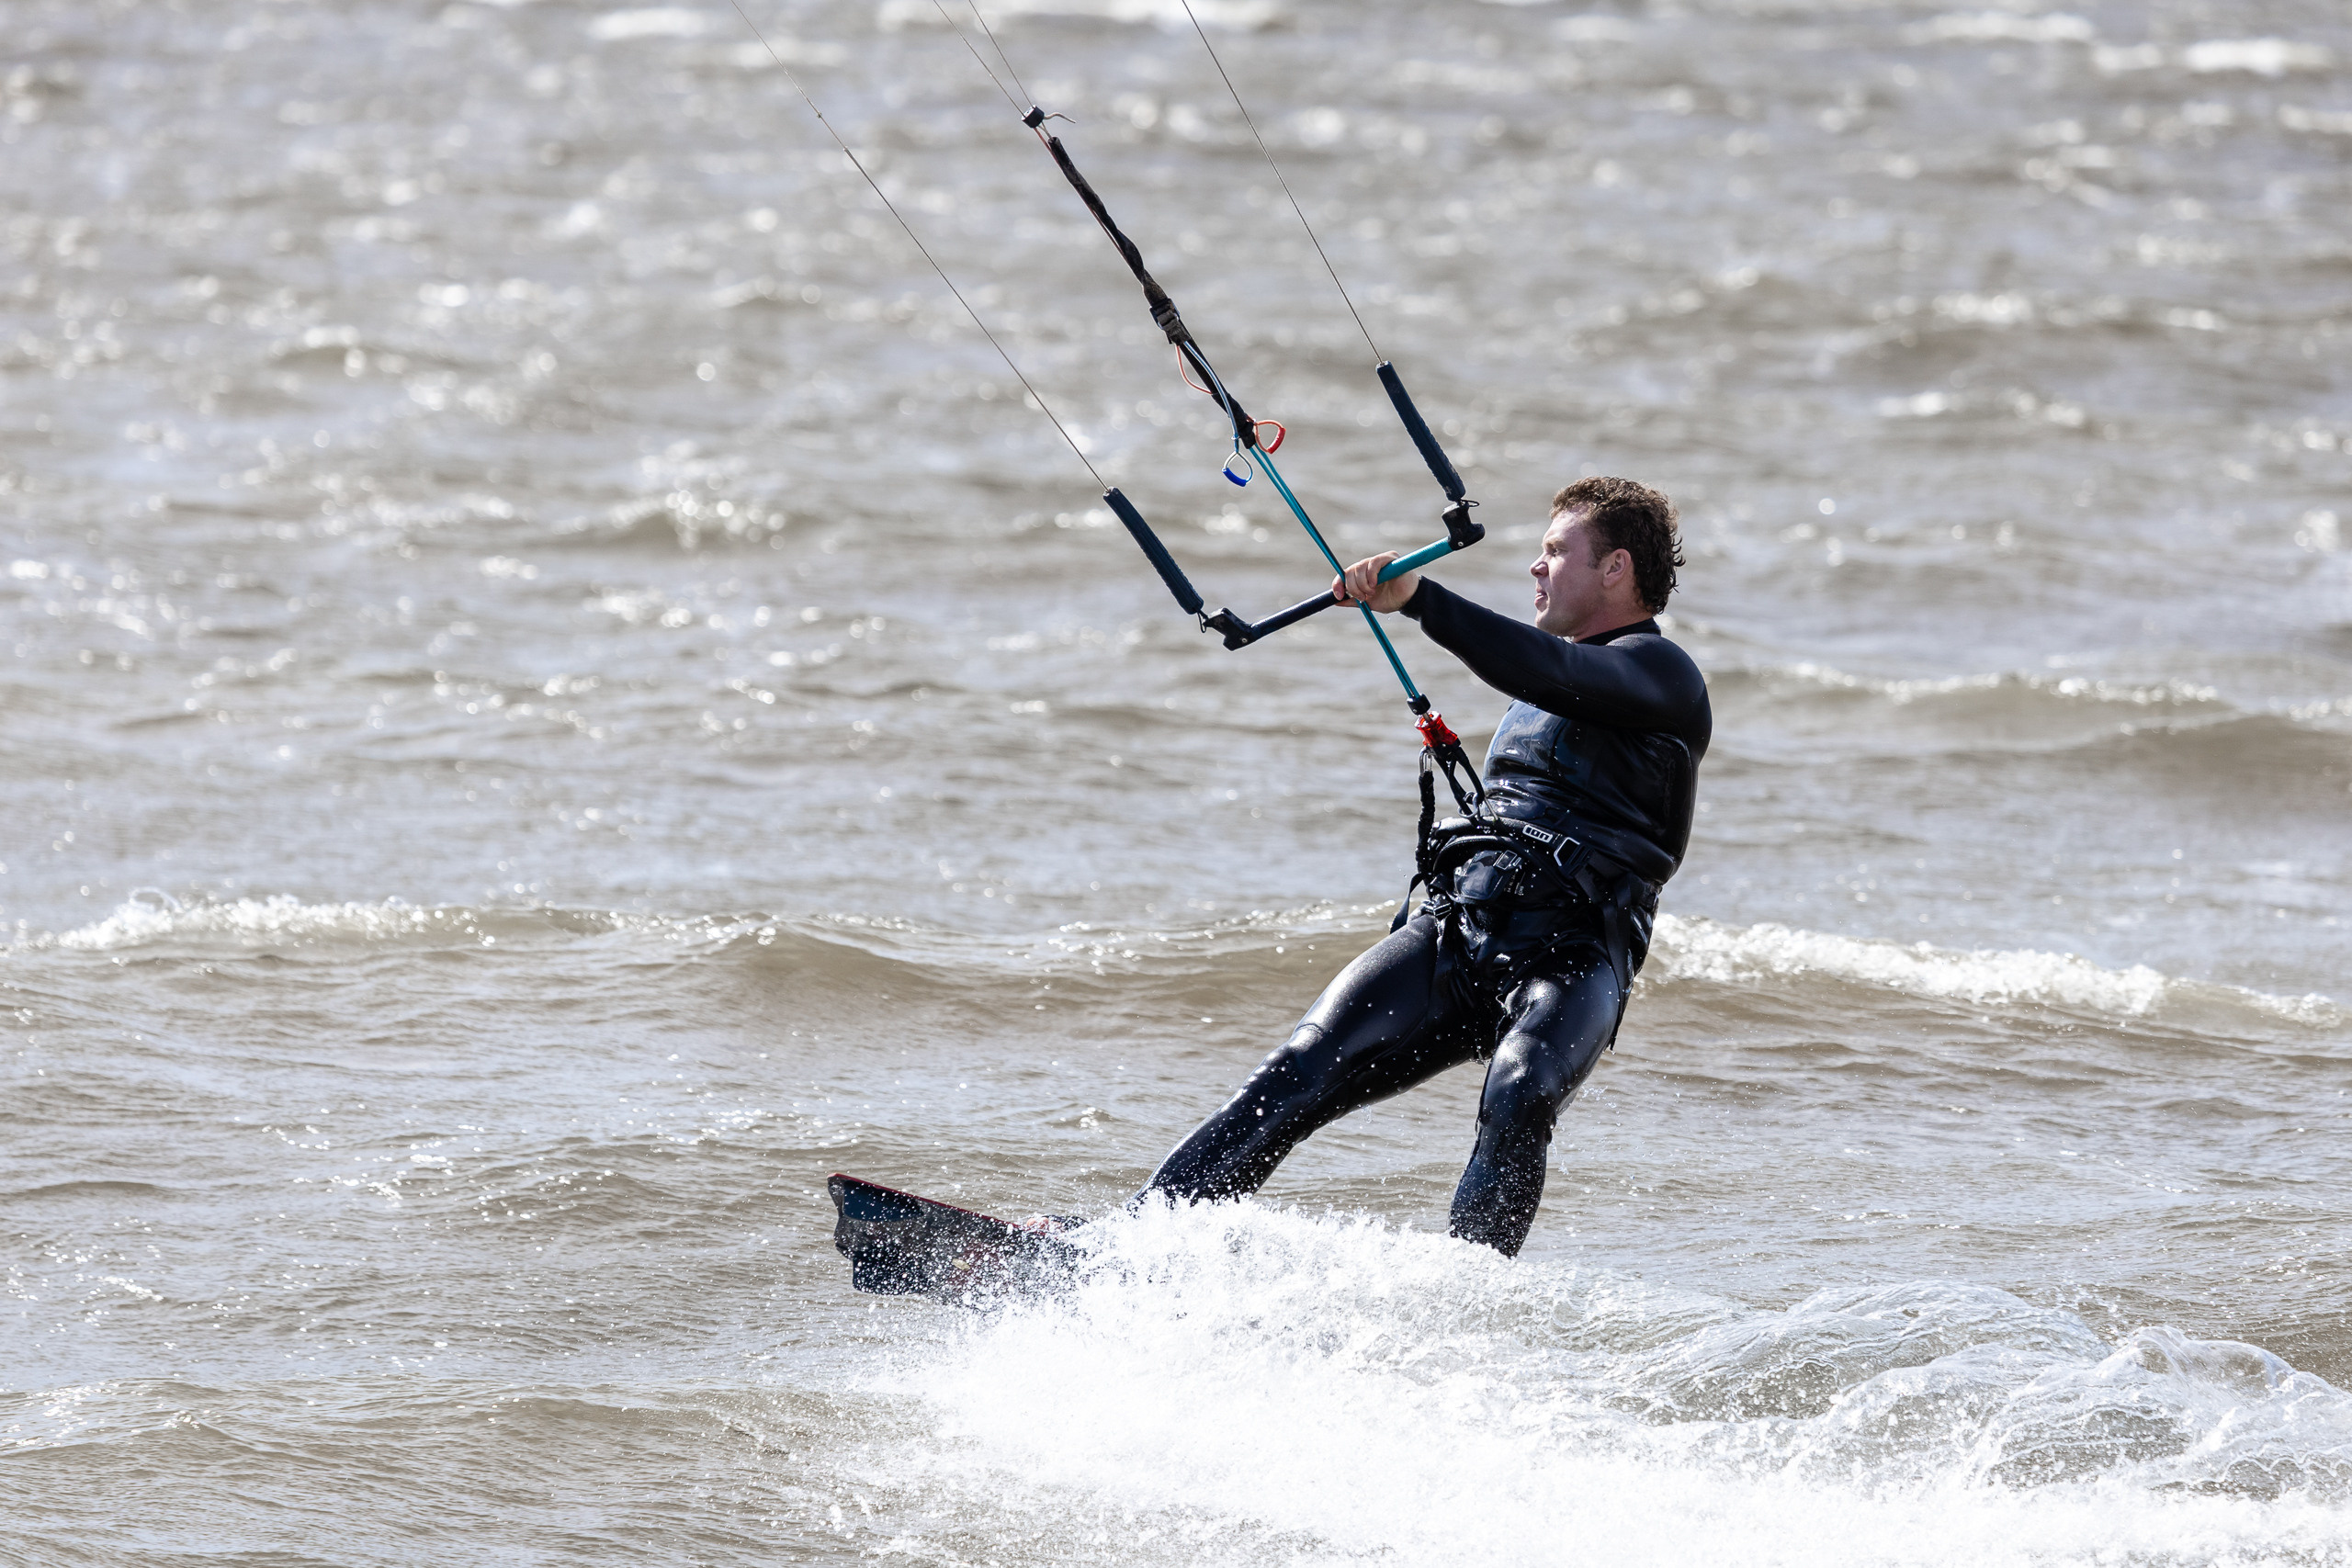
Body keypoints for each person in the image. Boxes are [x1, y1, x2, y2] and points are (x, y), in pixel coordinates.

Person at [1139, 477, 1712, 1256]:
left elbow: (1556, 674)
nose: (1536, 569)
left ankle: (1469, 1297)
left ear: (1615, 569)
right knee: (1298, 1070)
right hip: (1463, 932)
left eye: (1554, 552)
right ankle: (1132, 1247)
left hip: (1574, 957)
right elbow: (1543, 675)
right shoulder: (1541, 682)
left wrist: (1422, 600)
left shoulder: (1662, 675)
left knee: (1518, 1091)